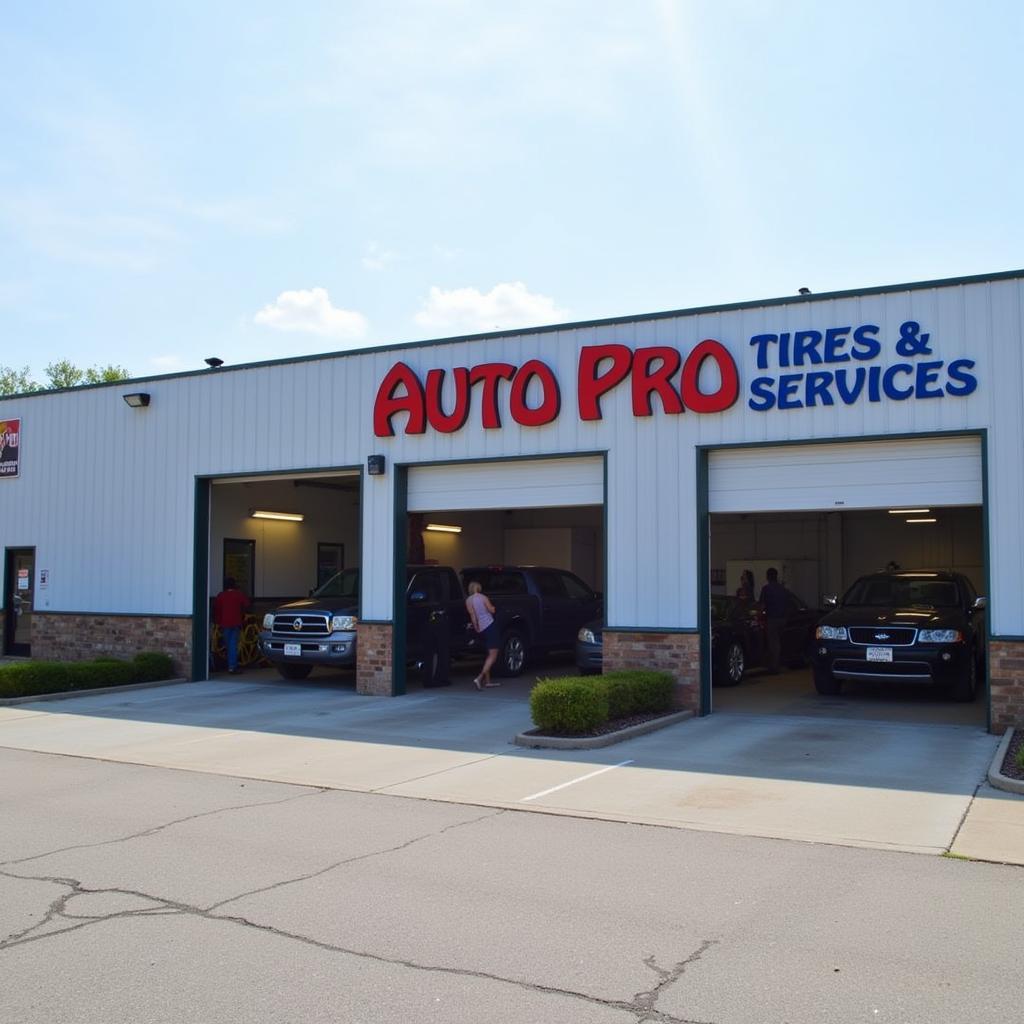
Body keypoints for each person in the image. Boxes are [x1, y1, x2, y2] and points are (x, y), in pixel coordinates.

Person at [465, 580, 501, 690]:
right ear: (478, 587)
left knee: (488, 654)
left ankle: (488, 681)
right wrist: (493, 608)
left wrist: (476, 627)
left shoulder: (468, 600)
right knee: (493, 654)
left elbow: (473, 616)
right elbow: (491, 610)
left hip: (481, 628)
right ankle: (479, 678)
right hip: (490, 626)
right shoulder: (483, 597)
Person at [213, 577, 250, 674]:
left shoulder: (221, 596)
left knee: (227, 645)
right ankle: (232, 667)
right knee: (233, 645)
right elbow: (246, 605)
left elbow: (217, 610)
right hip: (236, 623)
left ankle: (229, 664)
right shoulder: (239, 595)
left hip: (224, 624)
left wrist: (217, 622)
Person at [758, 567, 788, 674]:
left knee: (773, 643)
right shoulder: (783, 589)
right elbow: (788, 603)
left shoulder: (766, 589)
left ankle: (774, 667)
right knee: (779, 642)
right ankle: (778, 663)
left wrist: (759, 615)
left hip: (772, 619)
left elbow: (762, 605)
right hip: (783, 619)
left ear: (768, 577)